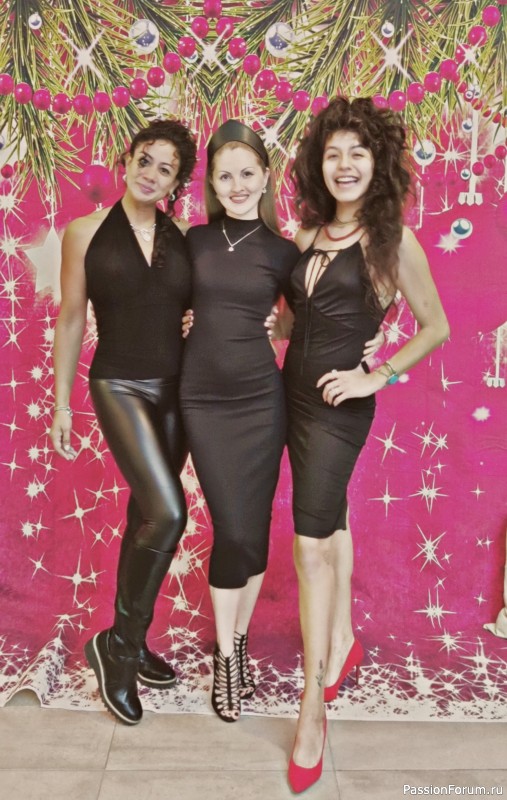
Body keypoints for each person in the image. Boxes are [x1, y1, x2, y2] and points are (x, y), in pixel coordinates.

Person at [277, 97, 449, 793]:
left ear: (378, 165)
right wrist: (224, 321)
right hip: (287, 399)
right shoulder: (307, 236)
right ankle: (342, 642)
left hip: (337, 410)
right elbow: (292, 325)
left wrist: (378, 375)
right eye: (333, 153)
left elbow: (435, 325)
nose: (344, 164)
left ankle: (312, 708)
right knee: (331, 522)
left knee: (310, 545)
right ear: (318, 164)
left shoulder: (392, 241)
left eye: (358, 153)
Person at [49, 119, 197, 725]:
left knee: (145, 518)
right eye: (145, 160)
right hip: (119, 384)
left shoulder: (183, 235)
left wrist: (197, 320)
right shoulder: (84, 232)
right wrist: (61, 404)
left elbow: (197, 307)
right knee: (169, 512)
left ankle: (121, 637)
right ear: (127, 160)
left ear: (176, 183)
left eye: (166, 169)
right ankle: (123, 651)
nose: (151, 174)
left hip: (177, 391)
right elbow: (70, 318)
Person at [179, 120, 301, 722]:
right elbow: (165, 303)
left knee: (251, 533)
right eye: (225, 175)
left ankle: (238, 643)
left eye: (247, 173)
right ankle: (226, 659)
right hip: (203, 400)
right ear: (211, 183)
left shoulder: (283, 251)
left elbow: (306, 319)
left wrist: (283, 326)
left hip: (261, 403)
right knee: (231, 528)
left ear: (266, 176)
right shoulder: (193, 241)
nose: (237, 185)